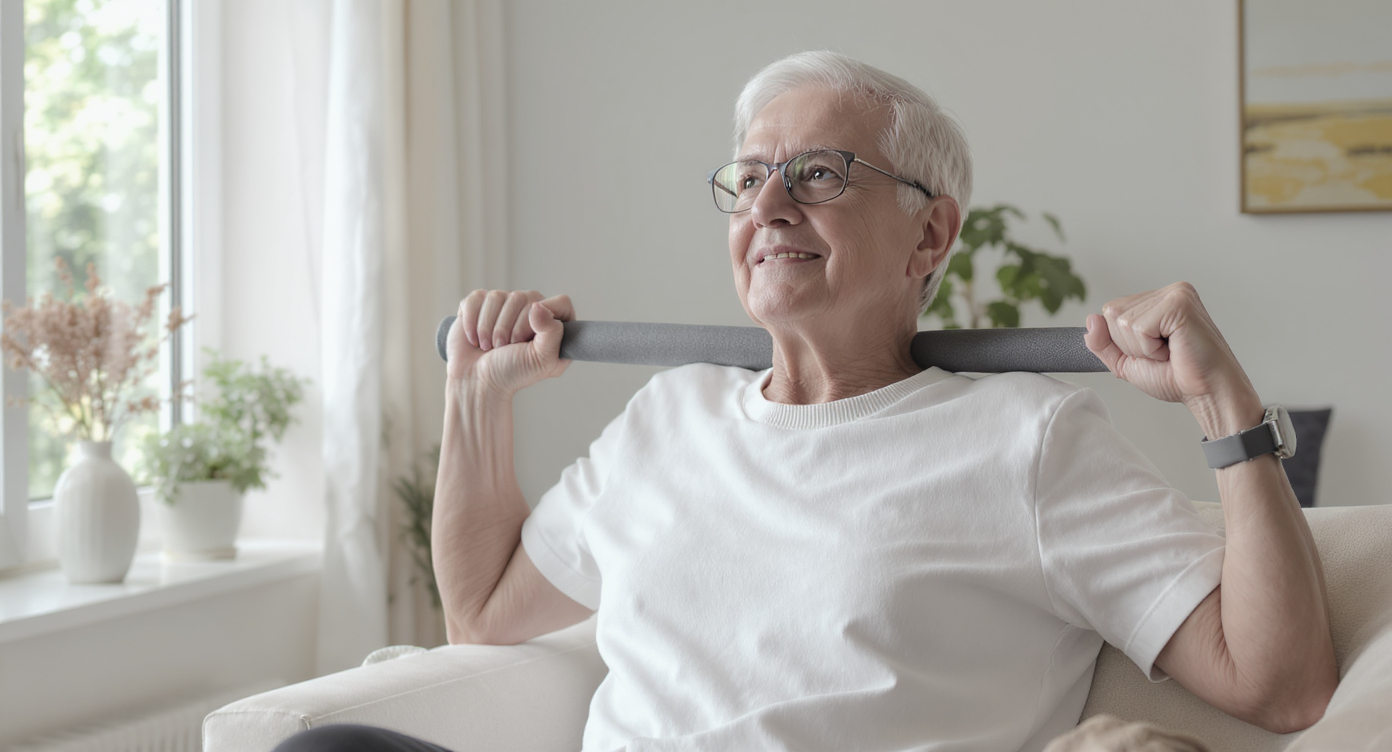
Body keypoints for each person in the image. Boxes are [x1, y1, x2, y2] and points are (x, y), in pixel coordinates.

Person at [276, 51, 1336, 752]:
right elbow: (483, 612)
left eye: (821, 174)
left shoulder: (1028, 440)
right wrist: (477, 395)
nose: (770, 205)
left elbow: (1279, 683)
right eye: (748, 179)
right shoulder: (667, 417)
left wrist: (1223, 404)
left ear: (930, 235)